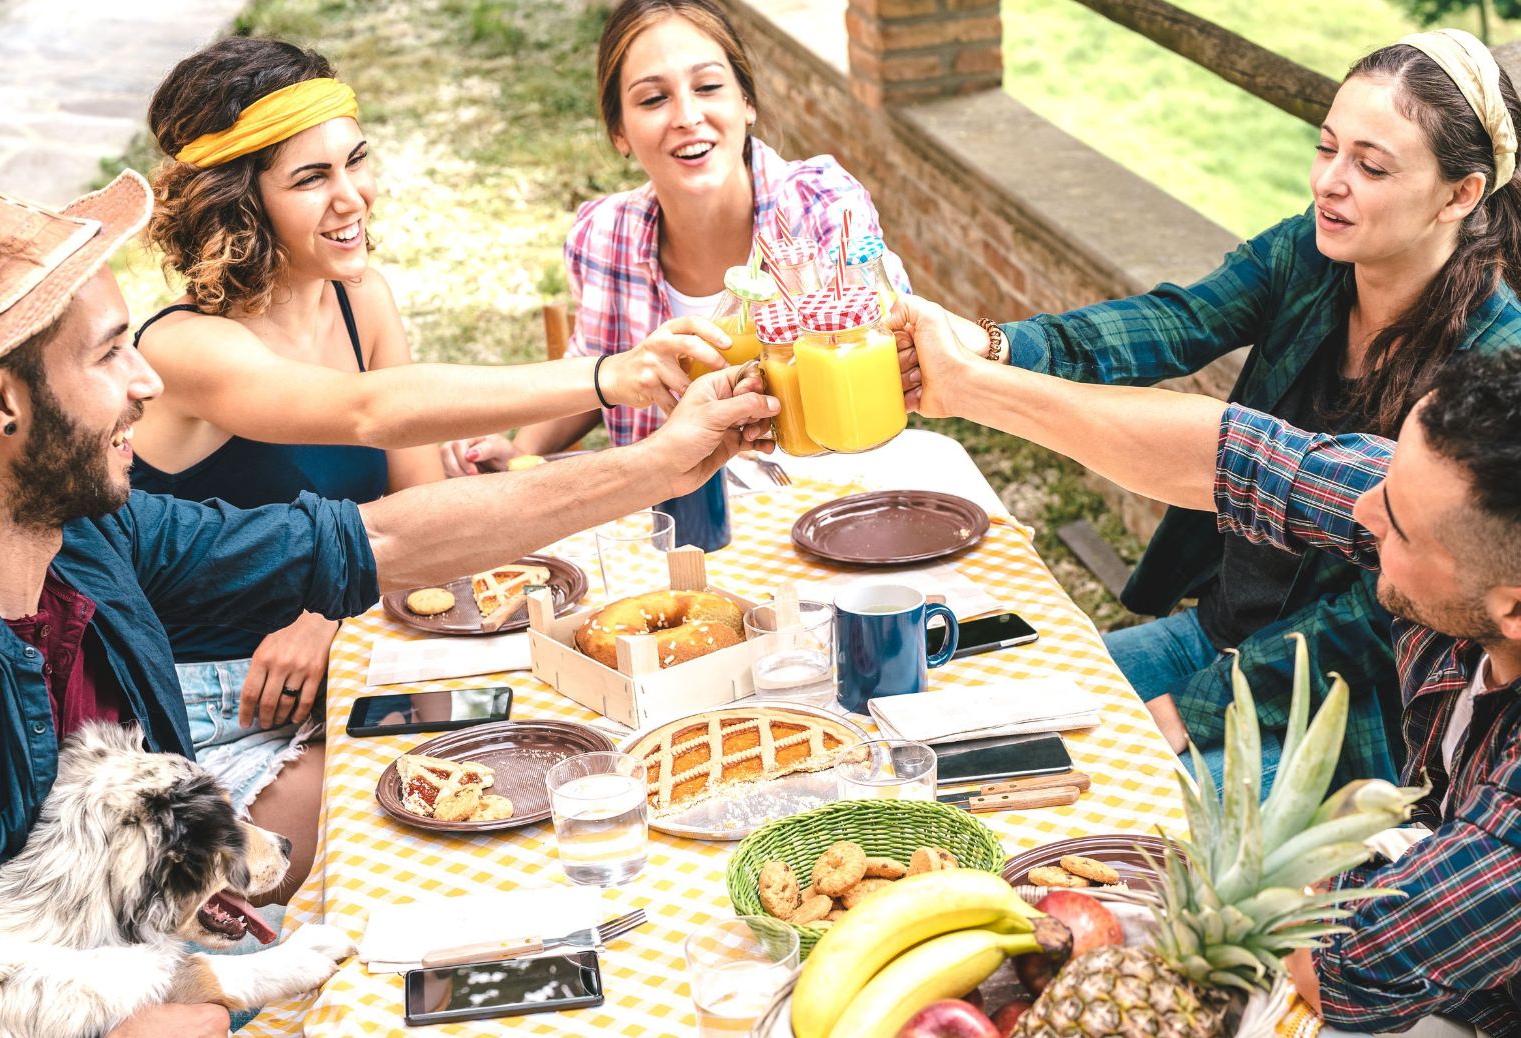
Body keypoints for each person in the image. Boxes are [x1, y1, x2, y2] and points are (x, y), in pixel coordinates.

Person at [0, 168, 775, 1036]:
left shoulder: (94, 534)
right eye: (108, 354)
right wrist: (163, 1010)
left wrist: (658, 466)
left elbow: (379, 543)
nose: (146, 381)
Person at [127, 35, 701, 889]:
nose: (352, 197)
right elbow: (370, 412)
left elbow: (422, 521)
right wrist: (607, 376)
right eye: (310, 179)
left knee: (556, 759)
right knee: (414, 839)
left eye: (355, 162)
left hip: (347, 664)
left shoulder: (362, 298)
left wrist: (329, 615)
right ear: (241, 205)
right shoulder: (185, 349)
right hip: (210, 709)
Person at [899, 295, 1521, 1034]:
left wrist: (1317, 873)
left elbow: (1344, 968)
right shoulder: (1455, 517)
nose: (1363, 512)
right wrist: (967, 383)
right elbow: (1238, 457)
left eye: (1400, 529)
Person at [926, 29, 1521, 792]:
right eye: (1326, 147)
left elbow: (1386, 618)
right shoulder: (1311, 251)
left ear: (1461, 194)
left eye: (1370, 166)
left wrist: (1196, 708)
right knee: (977, 731)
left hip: (1339, 713)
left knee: (1116, 809)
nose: (1329, 183)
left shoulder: (1492, 373)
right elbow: (1175, 323)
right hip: (1215, 627)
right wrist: (991, 346)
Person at [449, 0, 910, 470]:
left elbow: (893, 335)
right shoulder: (602, 236)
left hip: (827, 496)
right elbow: (594, 376)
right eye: (653, 99)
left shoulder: (819, 203)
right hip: (671, 514)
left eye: (708, 86)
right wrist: (520, 451)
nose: (687, 116)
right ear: (619, 132)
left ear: (746, 102)